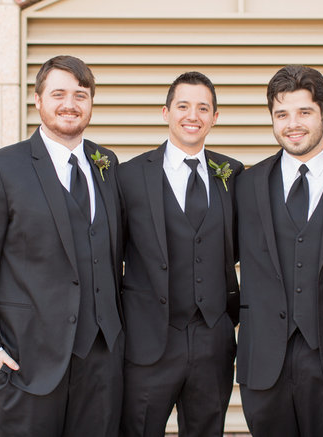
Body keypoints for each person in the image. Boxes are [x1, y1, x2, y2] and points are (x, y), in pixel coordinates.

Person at [0, 55, 124, 437]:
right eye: (59, 93)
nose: (70, 104)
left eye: (81, 95)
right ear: (38, 100)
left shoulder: (106, 164)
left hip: (101, 362)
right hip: (26, 362)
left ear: (91, 102)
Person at [235, 65, 323, 437]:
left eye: (304, 112)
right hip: (264, 363)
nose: (292, 124)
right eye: (282, 114)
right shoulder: (246, 184)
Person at [117, 71, 243, 437]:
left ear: (215, 117)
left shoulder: (231, 174)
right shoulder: (129, 176)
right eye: (183, 106)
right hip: (149, 340)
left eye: (203, 108)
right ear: (165, 112)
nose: (193, 115)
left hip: (213, 338)